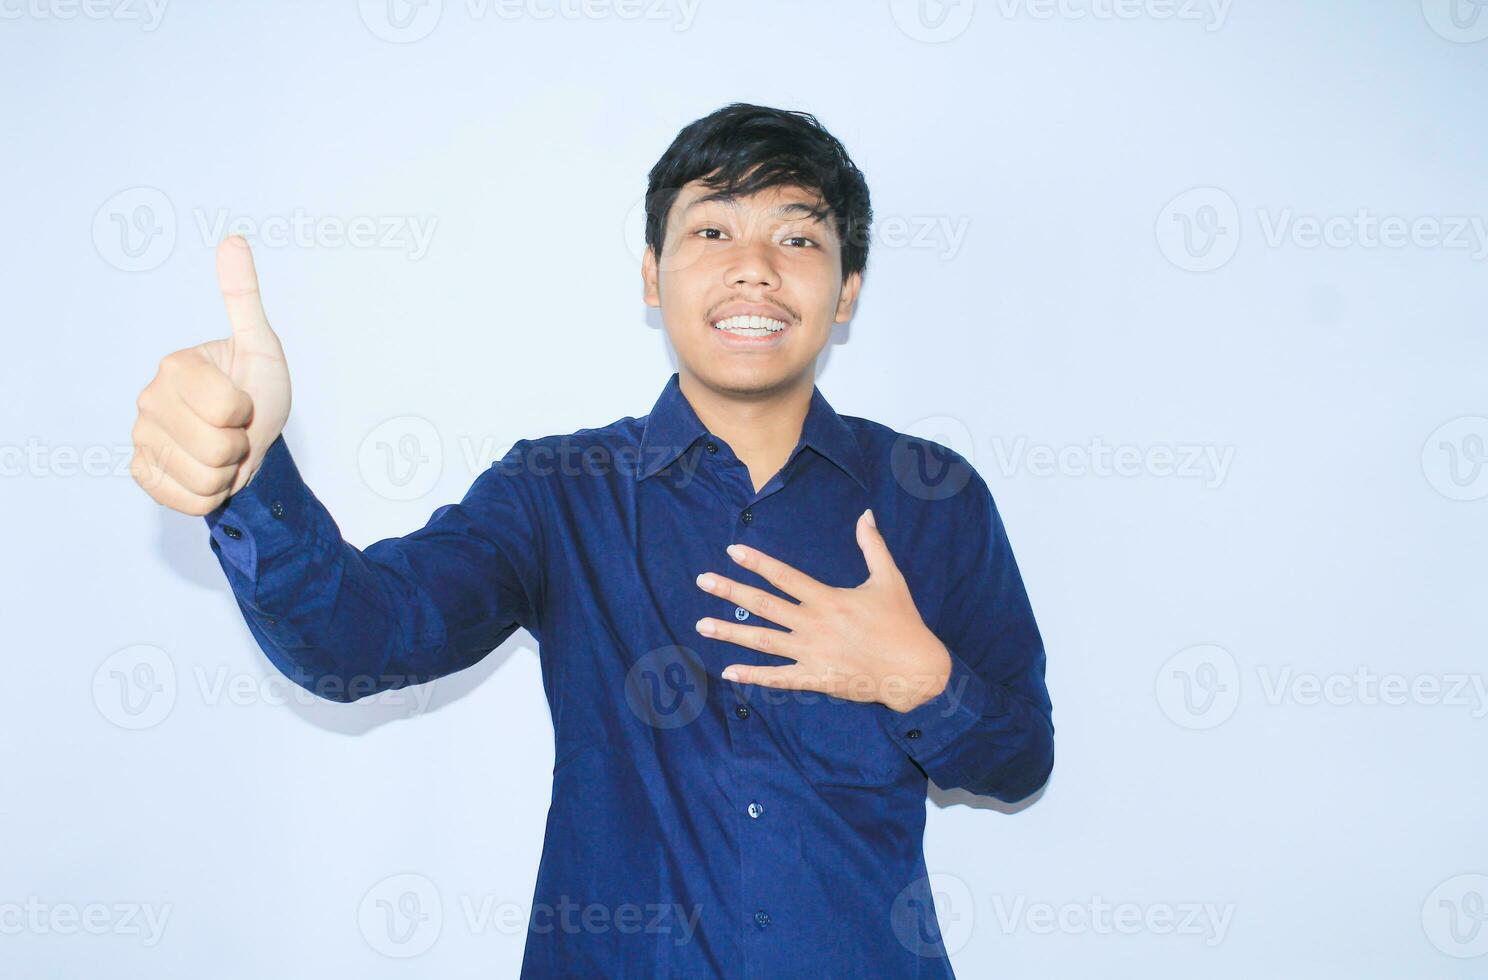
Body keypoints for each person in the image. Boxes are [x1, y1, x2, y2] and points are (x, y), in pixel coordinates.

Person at [129, 102, 1055, 977]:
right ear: (652, 276)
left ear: (846, 291)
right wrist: (253, 478)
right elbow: (359, 642)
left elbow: (1021, 760)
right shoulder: (557, 495)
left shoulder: (933, 500)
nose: (756, 268)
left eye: (799, 237)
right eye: (713, 230)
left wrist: (917, 681)